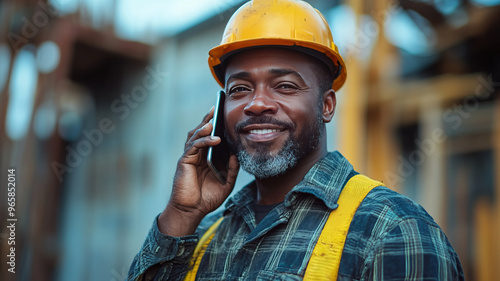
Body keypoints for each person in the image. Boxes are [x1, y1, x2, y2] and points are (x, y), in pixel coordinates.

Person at [127, 0, 464, 280]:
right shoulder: (199, 235)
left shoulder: (393, 231)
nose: (257, 103)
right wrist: (181, 214)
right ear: (219, 109)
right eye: (239, 89)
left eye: (285, 86)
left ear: (327, 105)